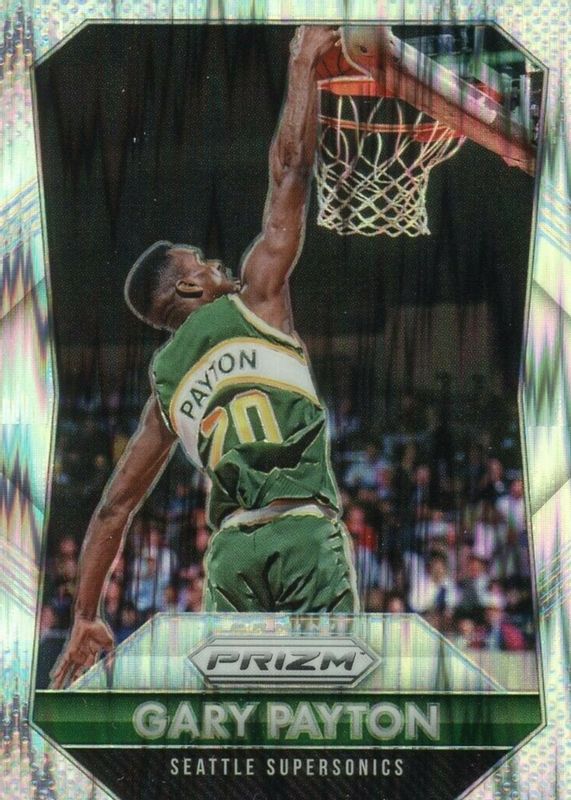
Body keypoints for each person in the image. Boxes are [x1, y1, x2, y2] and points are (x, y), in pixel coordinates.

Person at [52, 26, 358, 688]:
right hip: (302, 535)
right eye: (203, 262)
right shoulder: (257, 297)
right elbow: (289, 169)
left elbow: (112, 509)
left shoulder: (164, 389)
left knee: (239, 721)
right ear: (189, 290)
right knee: (329, 708)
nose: (217, 263)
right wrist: (302, 62)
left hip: (232, 557)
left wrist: (86, 614)